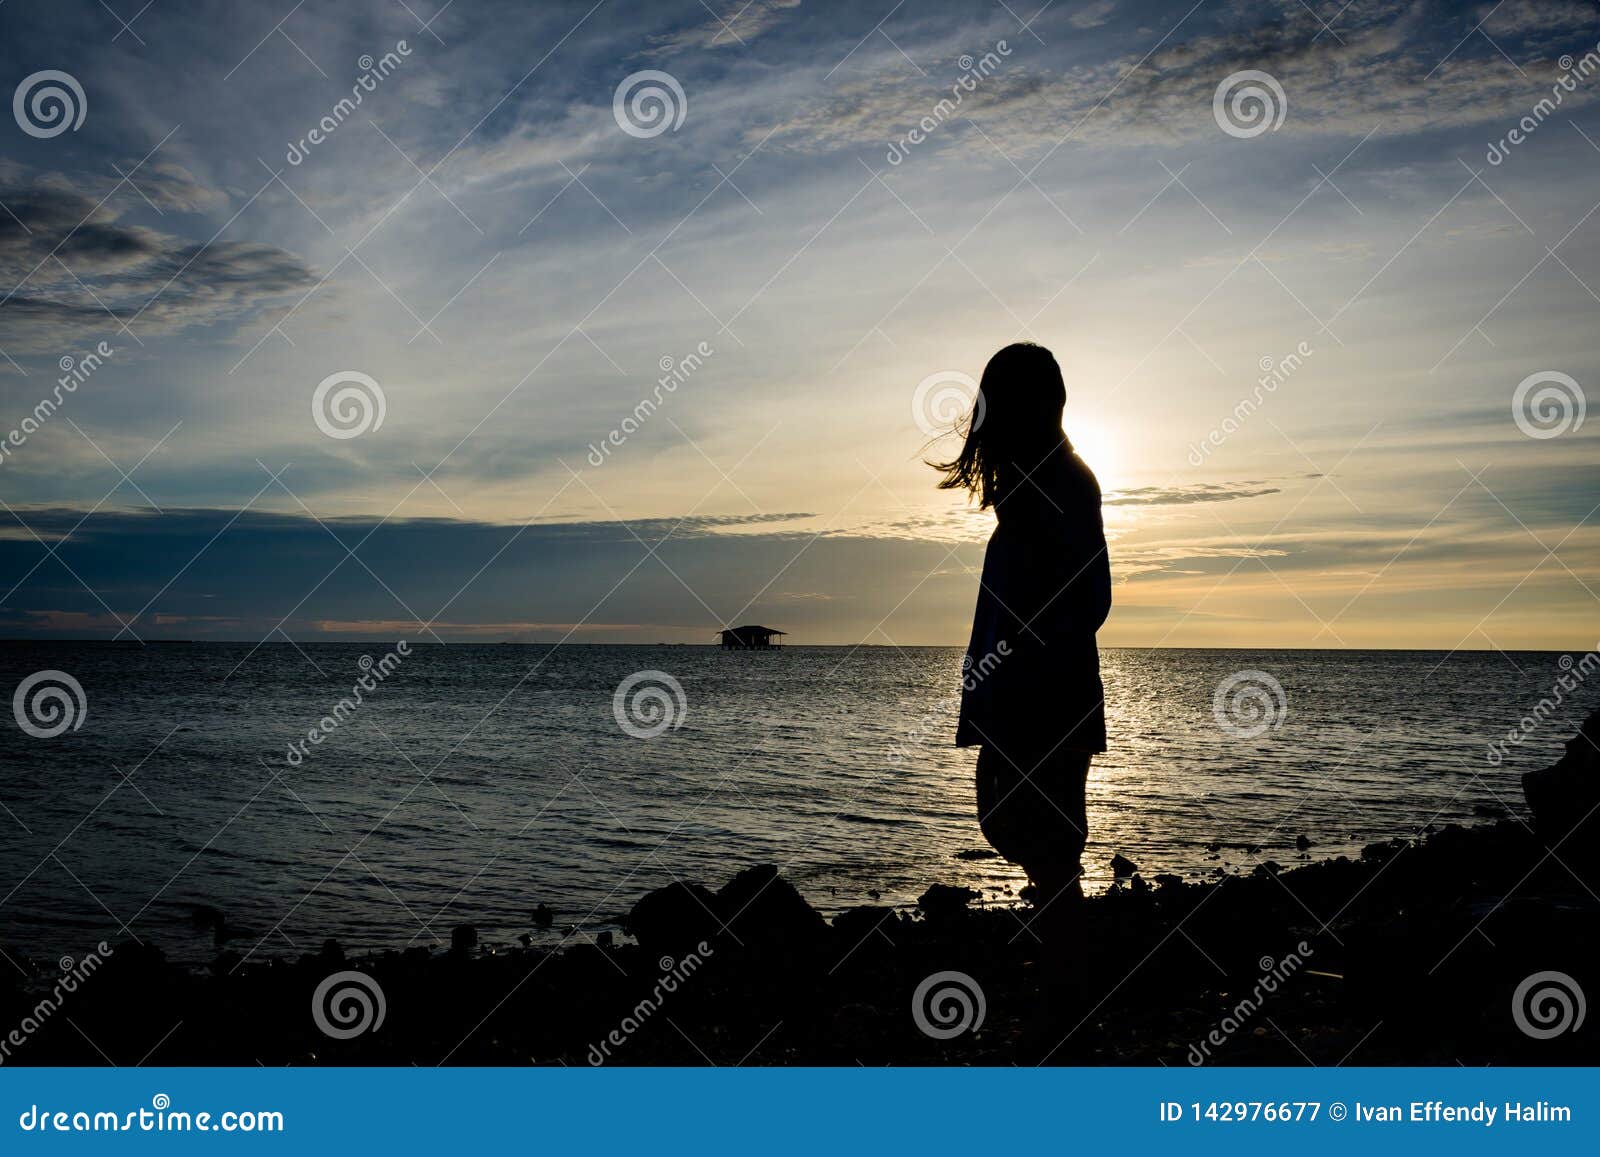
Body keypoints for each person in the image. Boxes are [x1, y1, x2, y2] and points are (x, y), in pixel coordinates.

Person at [933, 342, 1111, 918]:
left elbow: (1091, 597)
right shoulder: (1025, 486)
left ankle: (1068, 980)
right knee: (1013, 822)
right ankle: (1064, 955)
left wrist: (1031, 658)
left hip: (1044, 694)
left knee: (1036, 832)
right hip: (1021, 692)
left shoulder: (1063, 483)